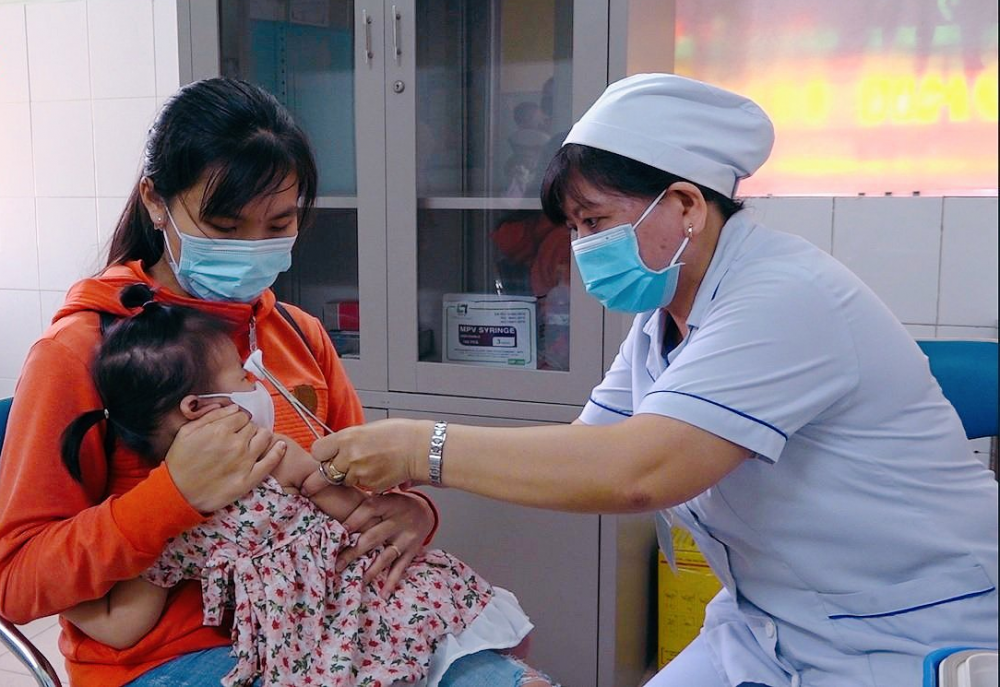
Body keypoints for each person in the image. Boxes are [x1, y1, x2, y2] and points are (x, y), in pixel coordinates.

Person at [301, 73, 999, 687]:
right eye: (575, 227)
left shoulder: (784, 295)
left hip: (907, 626)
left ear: (686, 205)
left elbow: (639, 470)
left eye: (595, 221)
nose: (581, 248)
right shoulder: (666, 317)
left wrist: (420, 448)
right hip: (771, 622)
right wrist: (421, 501)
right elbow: (585, 456)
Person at [0, 78, 548, 687]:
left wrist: (412, 513)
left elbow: (362, 485)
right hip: (174, 659)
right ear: (156, 202)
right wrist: (172, 496)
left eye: (279, 223)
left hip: (338, 627)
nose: (253, 250)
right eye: (224, 226)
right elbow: (15, 582)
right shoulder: (83, 351)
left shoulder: (297, 334)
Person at [58, 283, 542, 687]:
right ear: (198, 408)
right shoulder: (188, 502)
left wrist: (411, 506)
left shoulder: (179, 518)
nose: (259, 388)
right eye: (244, 378)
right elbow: (354, 510)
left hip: (337, 619)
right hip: (331, 628)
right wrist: (59, 583)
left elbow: (121, 623)